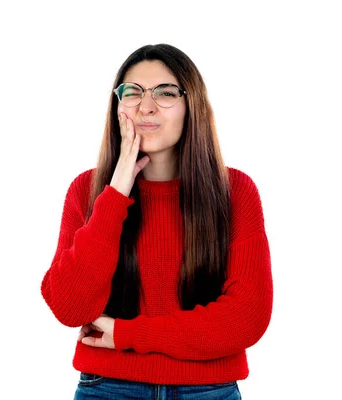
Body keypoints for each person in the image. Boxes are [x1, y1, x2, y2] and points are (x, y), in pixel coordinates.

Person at [40, 43, 273, 400]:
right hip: (106, 389)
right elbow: (72, 307)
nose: (146, 106)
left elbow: (246, 317)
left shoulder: (235, 192)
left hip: (208, 391)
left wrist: (129, 335)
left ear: (190, 105)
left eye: (164, 93)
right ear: (117, 108)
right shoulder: (87, 191)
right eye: (132, 93)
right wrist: (116, 191)